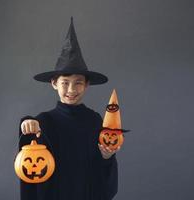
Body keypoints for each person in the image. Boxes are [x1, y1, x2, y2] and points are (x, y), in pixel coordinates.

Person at [18, 18, 119, 200]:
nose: (71, 90)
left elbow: (103, 176)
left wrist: (106, 158)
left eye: (78, 83)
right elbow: (29, 157)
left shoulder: (95, 121)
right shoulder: (43, 122)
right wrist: (27, 122)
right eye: (65, 83)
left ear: (87, 85)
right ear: (54, 83)